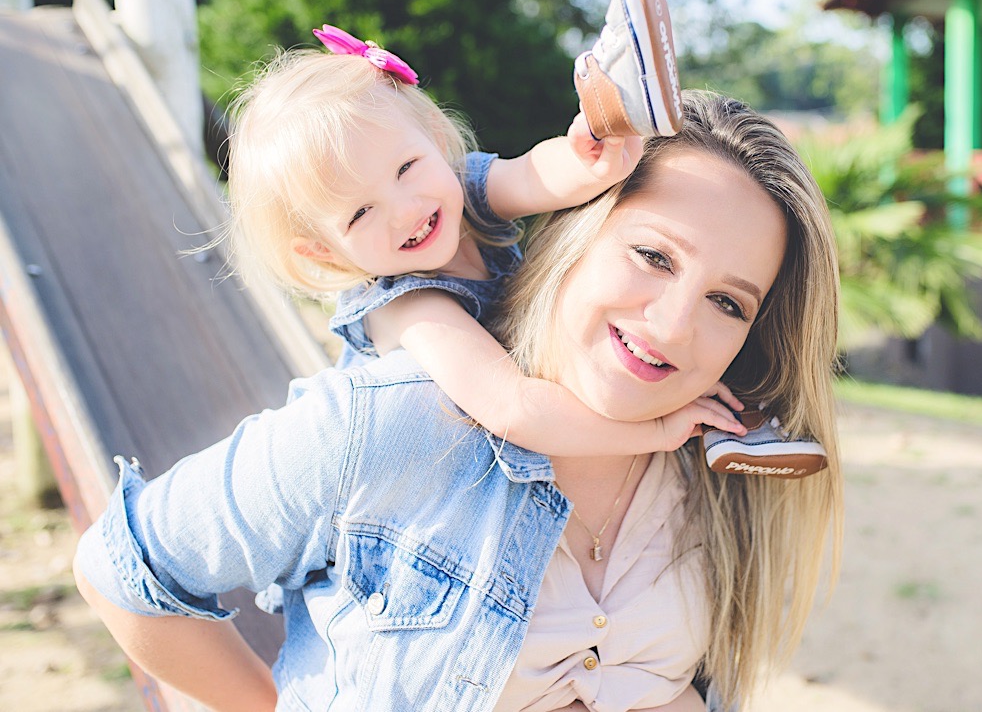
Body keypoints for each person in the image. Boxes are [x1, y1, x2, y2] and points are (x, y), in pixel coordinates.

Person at [73, 89, 843, 711]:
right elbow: (122, 569)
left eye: (729, 304)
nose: (674, 325)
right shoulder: (396, 419)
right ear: (577, 233)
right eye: (652, 255)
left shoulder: (719, 461)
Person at [223, 0, 749, 470]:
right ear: (321, 250)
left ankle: (617, 95)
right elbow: (513, 408)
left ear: (432, 138)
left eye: (406, 167)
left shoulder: (456, 192)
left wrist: (594, 158)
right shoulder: (406, 306)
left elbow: (531, 177)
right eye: (360, 212)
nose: (406, 209)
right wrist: (658, 433)